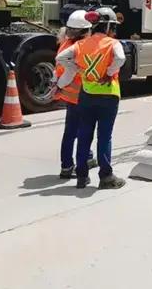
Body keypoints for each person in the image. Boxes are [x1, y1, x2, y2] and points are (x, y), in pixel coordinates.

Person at [56, 8, 127, 190]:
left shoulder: (81, 44)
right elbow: (120, 58)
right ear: (109, 26)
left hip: (86, 95)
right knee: (104, 137)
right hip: (108, 96)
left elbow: (61, 57)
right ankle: (106, 177)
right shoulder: (112, 43)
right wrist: (109, 72)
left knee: (84, 135)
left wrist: (78, 68)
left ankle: (81, 177)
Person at [53, 10, 95, 179]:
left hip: (69, 95)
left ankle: (66, 166)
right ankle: (83, 163)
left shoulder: (64, 44)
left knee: (70, 132)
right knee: (84, 131)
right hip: (82, 94)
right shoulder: (82, 47)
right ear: (86, 31)